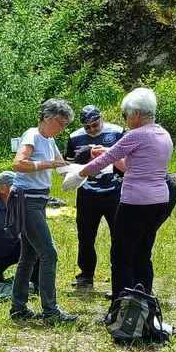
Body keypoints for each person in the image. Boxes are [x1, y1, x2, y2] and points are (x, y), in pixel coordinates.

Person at [78, 88, 175, 306]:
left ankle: (122, 306)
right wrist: (106, 155)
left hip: (136, 202)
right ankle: (144, 301)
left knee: (121, 255)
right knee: (142, 253)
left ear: (137, 114)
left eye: (126, 115)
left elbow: (107, 159)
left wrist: (78, 174)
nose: (126, 119)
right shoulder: (163, 134)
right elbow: (127, 166)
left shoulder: (137, 134)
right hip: (159, 199)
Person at [7, 99, 78, 323]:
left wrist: (88, 169)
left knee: (28, 255)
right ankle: (50, 310)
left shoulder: (50, 141)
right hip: (25, 201)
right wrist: (46, 164)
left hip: (37, 202)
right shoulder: (33, 136)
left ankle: (18, 307)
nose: (61, 129)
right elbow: (18, 163)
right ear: (47, 118)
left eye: (65, 125)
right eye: (59, 123)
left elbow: (63, 168)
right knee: (49, 253)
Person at [64, 105, 124, 288]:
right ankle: (86, 274)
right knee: (85, 236)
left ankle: (120, 275)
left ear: (101, 118)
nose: (91, 130)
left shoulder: (117, 132)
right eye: (87, 127)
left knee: (120, 236)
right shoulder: (74, 137)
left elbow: (128, 158)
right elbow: (69, 163)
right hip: (87, 193)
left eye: (94, 125)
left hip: (114, 192)